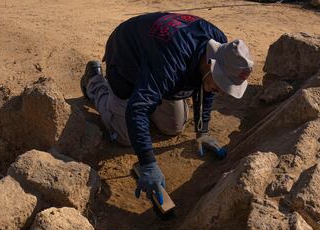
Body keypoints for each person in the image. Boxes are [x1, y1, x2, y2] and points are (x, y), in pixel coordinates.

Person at [80, 13, 254, 204]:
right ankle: (94, 82)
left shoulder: (221, 48)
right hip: (127, 54)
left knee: (174, 127)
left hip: (156, 61)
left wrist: (202, 131)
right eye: (221, 83)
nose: (221, 91)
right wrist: (148, 164)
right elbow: (137, 110)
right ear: (209, 63)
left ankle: (152, 91)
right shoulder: (172, 62)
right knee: (125, 135)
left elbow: (208, 88)